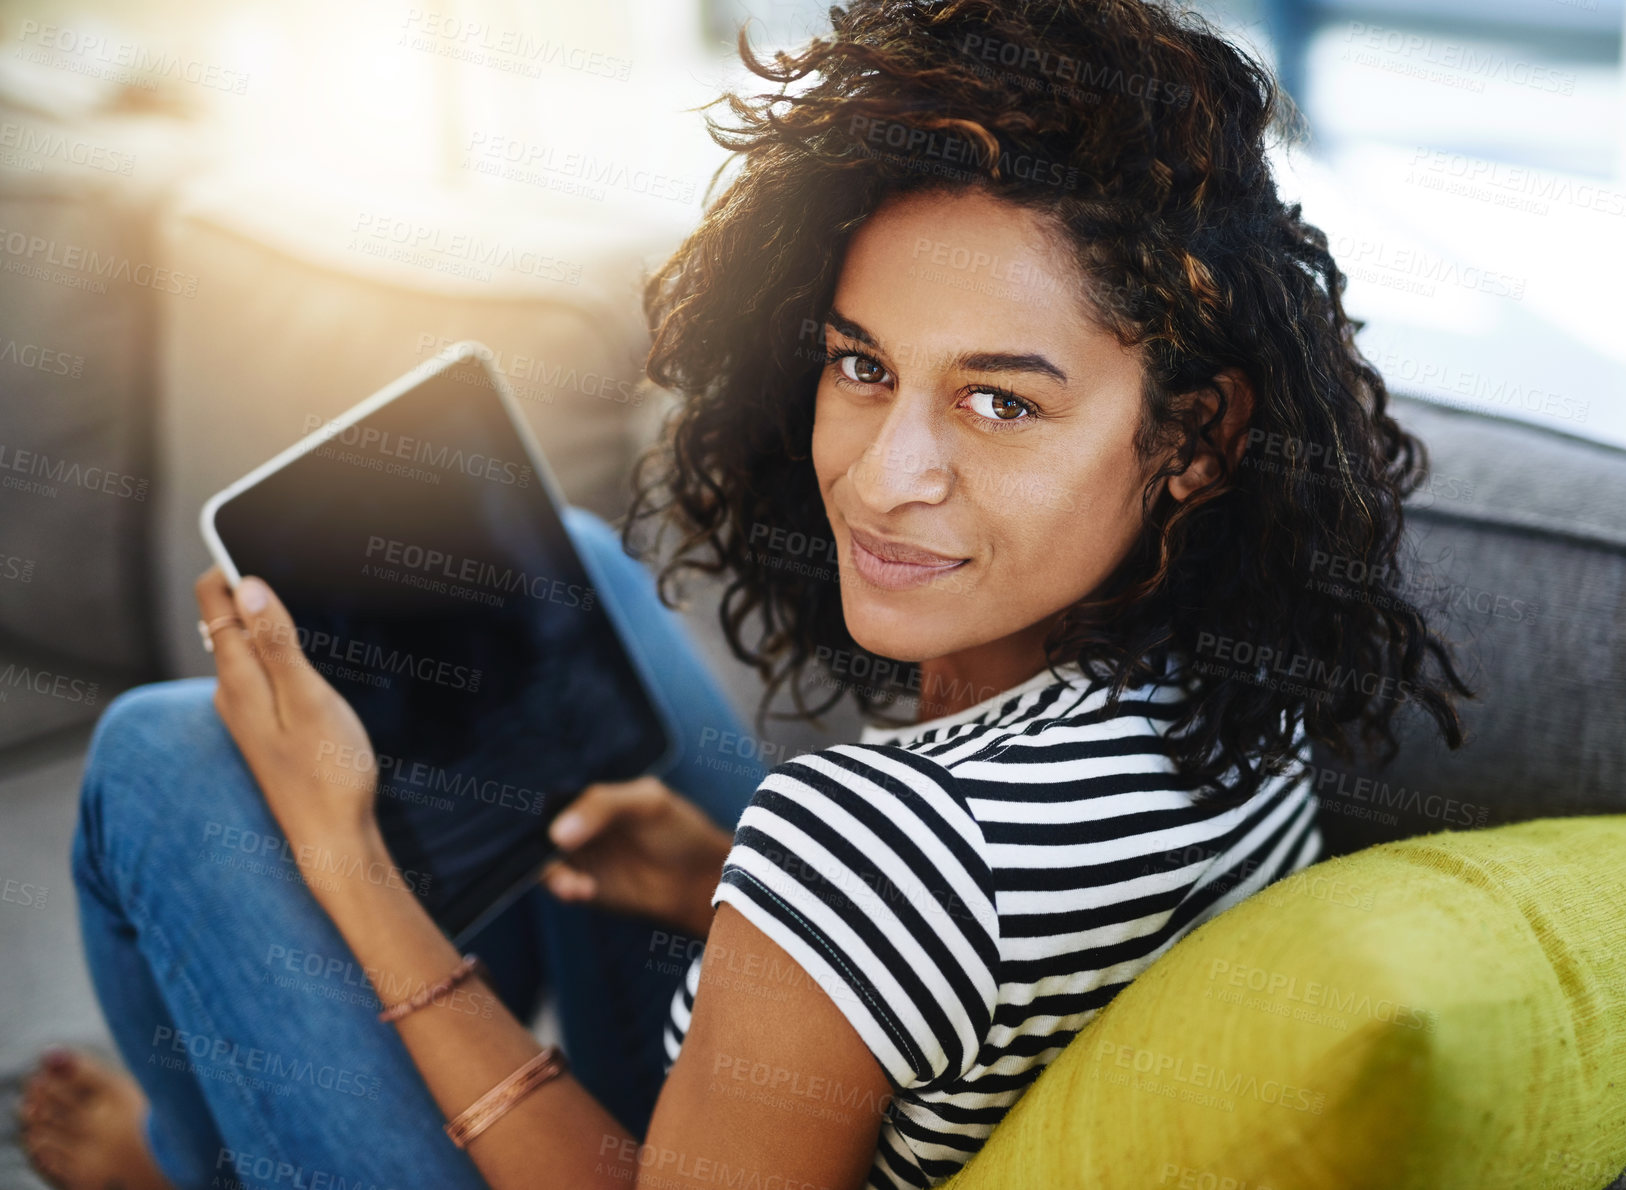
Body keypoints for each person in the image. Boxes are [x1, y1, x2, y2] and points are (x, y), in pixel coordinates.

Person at [20, 1, 1471, 1187]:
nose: (886, 475)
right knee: (570, 574)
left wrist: (343, 855)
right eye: (862, 365)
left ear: (1199, 436)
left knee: (164, 753)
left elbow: (894, 901)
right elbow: (958, 965)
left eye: (1002, 404)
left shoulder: (869, 845)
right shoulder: (1242, 696)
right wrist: (731, 890)